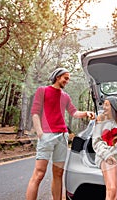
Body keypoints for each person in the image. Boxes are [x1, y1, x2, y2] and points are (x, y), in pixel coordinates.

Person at [26, 68, 95, 200]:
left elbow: (73, 113)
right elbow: (35, 112)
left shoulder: (65, 96)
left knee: (58, 173)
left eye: (68, 78)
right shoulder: (43, 90)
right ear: (57, 77)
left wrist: (86, 113)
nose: (67, 81)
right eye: (66, 78)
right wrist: (40, 132)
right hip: (47, 136)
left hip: (62, 136)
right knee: (39, 174)